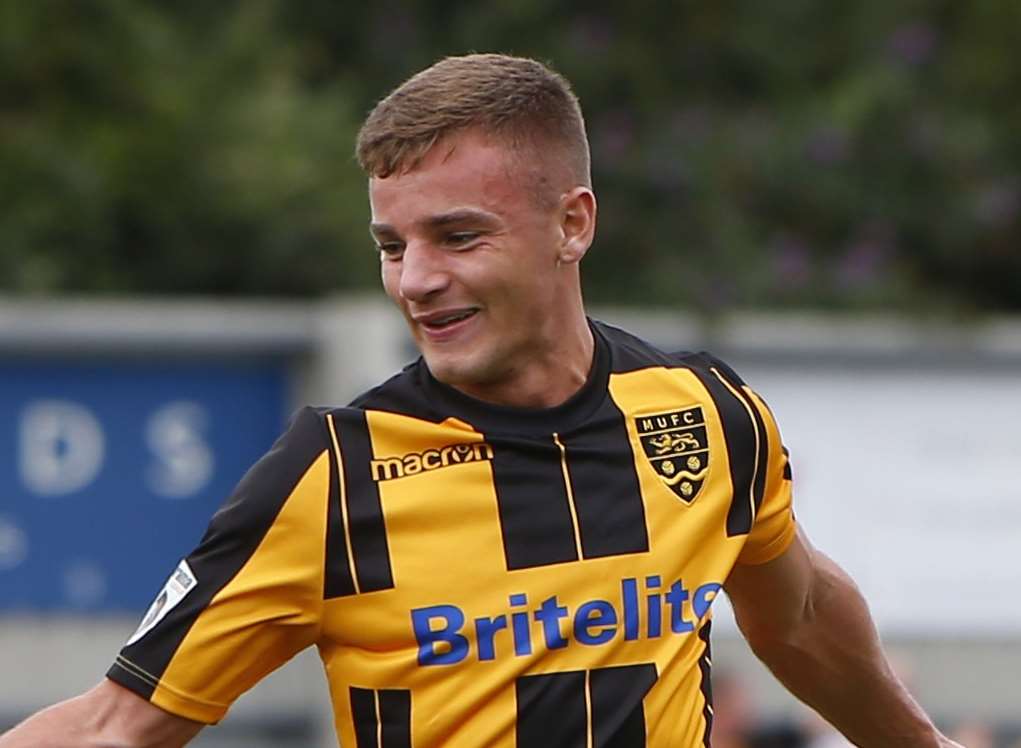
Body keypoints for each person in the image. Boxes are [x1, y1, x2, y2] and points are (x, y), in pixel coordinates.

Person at [1, 53, 963, 748]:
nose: (414, 280)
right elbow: (113, 725)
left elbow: (794, 613)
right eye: (390, 246)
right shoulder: (332, 474)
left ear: (571, 223)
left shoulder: (703, 415)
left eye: (456, 237)